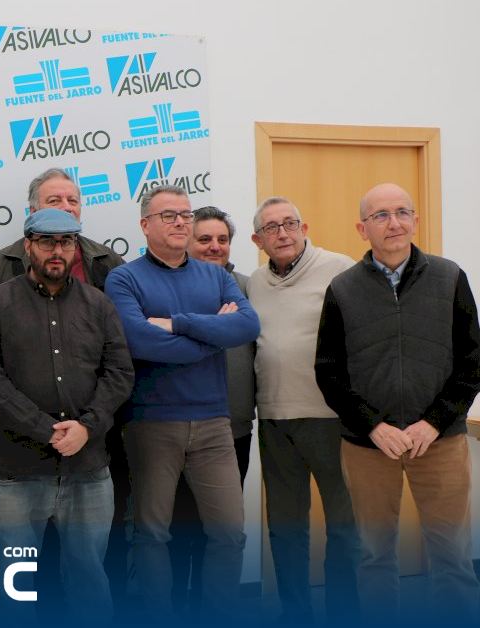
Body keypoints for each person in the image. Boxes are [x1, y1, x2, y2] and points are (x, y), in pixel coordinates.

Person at [316, 182, 480, 622]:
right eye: (381, 215)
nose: (394, 223)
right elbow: (329, 373)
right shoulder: (342, 289)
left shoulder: (450, 278)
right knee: (374, 556)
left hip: (440, 441)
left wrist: (434, 422)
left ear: (415, 220)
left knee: (452, 556)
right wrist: (373, 425)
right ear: (362, 228)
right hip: (369, 446)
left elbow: (472, 363)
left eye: (403, 212)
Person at [104, 185, 259, 621]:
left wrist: (177, 324)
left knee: (229, 533)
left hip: (214, 423)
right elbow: (138, 340)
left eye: (185, 215)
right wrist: (212, 336)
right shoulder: (124, 278)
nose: (180, 222)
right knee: (152, 534)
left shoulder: (217, 276)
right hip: (152, 425)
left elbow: (247, 326)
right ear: (144, 225)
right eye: (168, 215)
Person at [0, 208, 133, 622]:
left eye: (66, 242)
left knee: (89, 577)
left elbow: (119, 372)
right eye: (46, 242)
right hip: (17, 470)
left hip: (87, 467)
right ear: (28, 246)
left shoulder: (98, 304)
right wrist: (47, 429)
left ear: (75, 247)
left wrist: (87, 427)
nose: (56, 251)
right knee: (10, 581)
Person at [247, 196, 359, 622]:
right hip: (275, 419)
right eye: (271, 228)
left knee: (346, 526)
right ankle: (296, 614)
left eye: (290, 223)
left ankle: (344, 614)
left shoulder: (340, 269)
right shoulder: (254, 283)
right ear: (258, 240)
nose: (282, 233)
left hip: (332, 419)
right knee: (285, 527)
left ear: (304, 227)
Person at [168, 206, 258, 614]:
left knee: (220, 533)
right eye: (204, 239)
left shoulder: (245, 289)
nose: (214, 247)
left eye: (222, 240)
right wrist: (215, 325)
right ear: (186, 242)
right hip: (175, 430)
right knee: (177, 531)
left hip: (233, 431)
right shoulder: (167, 288)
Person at [0, 167, 125, 290]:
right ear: (34, 212)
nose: (67, 207)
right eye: (54, 201)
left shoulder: (108, 260)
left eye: (72, 201)